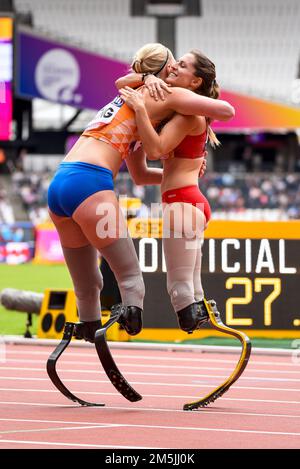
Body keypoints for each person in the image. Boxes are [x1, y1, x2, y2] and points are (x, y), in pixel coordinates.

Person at [47, 43, 234, 342]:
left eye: (181, 66)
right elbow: (223, 111)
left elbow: (141, 170)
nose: (174, 68)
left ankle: (88, 327)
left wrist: (145, 82)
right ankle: (130, 324)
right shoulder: (168, 95)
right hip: (91, 183)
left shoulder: (129, 95)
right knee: (132, 280)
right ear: (160, 71)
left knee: (88, 283)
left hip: (60, 183)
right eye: (173, 63)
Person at [118, 49, 222, 332]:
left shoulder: (189, 116)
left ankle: (205, 331)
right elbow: (143, 174)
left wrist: (139, 109)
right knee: (194, 290)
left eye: (183, 65)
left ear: (195, 82)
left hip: (181, 206)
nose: (175, 67)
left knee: (179, 290)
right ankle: (212, 335)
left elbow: (156, 149)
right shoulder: (187, 113)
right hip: (190, 202)